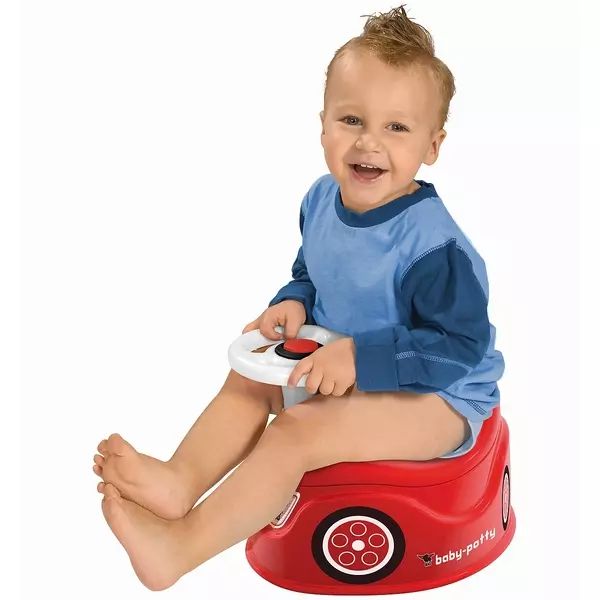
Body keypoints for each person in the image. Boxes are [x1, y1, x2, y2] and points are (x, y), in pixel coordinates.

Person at [93, 5, 504, 590]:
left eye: (397, 127)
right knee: (248, 381)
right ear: (323, 125)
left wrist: (359, 358)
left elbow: (459, 347)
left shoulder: (433, 247)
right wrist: (296, 301)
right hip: (344, 360)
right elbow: (314, 270)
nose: (369, 142)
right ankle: (179, 482)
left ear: (432, 144)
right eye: (352, 119)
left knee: (295, 433)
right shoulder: (321, 200)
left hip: (438, 397)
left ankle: (180, 549)